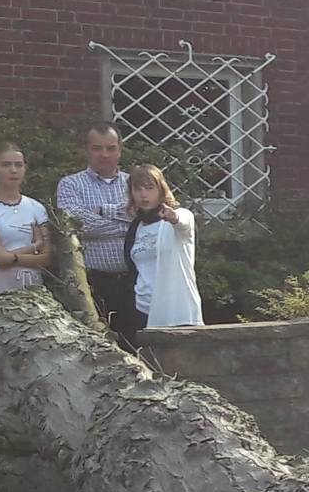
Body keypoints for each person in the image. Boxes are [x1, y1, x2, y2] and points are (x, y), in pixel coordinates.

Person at [56, 124, 139, 339]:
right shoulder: (70, 185)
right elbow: (77, 223)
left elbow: (144, 217)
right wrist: (127, 227)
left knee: (136, 345)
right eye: (97, 148)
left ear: (120, 150)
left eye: (111, 148)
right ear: (86, 150)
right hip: (94, 283)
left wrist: (103, 211)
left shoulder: (136, 183)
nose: (104, 154)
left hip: (135, 282)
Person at [125, 163, 203, 331]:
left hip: (176, 311)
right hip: (143, 308)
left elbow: (184, 224)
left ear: (161, 189)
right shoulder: (135, 226)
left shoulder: (180, 216)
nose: (143, 194)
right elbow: (133, 265)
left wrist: (173, 217)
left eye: (150, 188)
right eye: (138, 189)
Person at [0, 142, 53, 298]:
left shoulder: (36, 208)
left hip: (32, 285)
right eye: (6, 165)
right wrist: (34, 247)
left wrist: (13, 257)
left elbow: (46, 258)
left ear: (25, 168)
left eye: (18, 165)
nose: (13, 170)